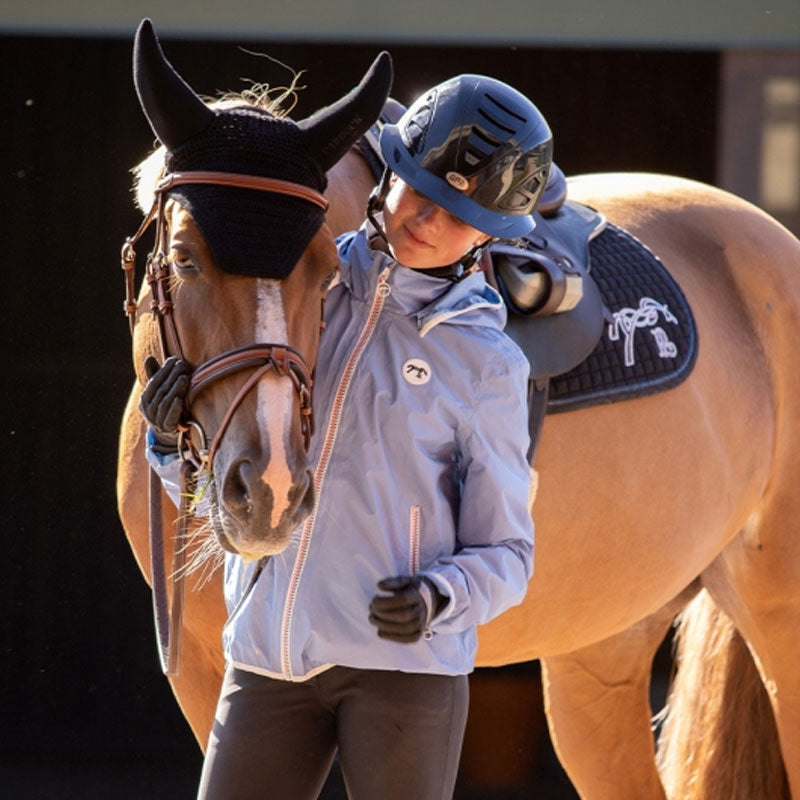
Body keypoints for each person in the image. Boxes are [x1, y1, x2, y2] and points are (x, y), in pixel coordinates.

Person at [143, 70, 552, 800]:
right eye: (418, 192)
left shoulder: (490, 365)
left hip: (404, 670)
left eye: (456, 216)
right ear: (387, 173)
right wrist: (171, 443)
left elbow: (510, 554)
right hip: (269, 656)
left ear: (488, 234)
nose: (425, 220)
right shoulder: (307, 285)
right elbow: (227, 500)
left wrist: (440, 597)